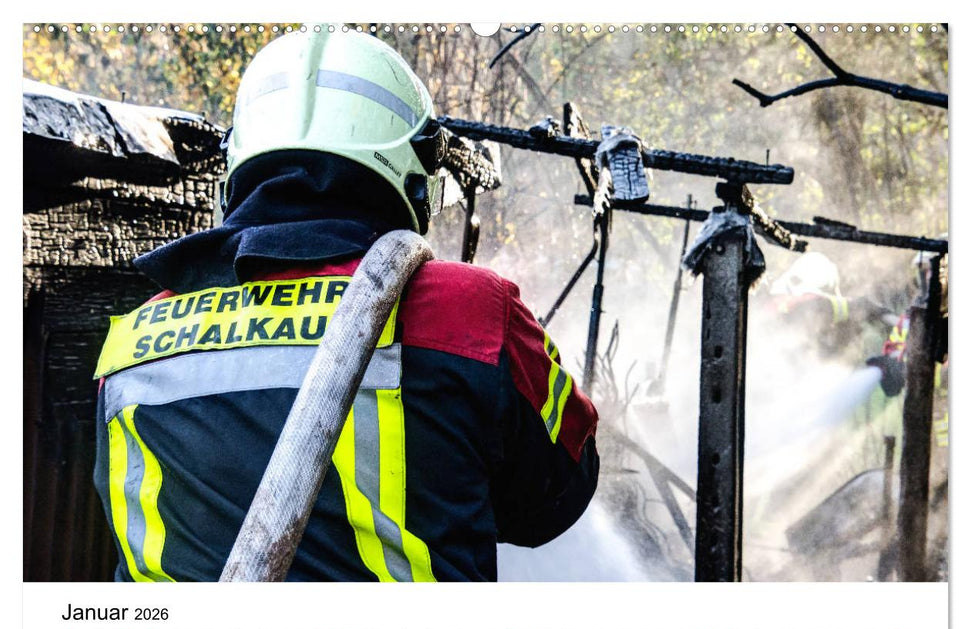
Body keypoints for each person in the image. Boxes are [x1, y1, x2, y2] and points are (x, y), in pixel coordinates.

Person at [92, 31, 599, 582]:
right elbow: (556, 496)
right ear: (413, 169)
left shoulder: (131, 347)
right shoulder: (468, 311)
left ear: (238, 162)